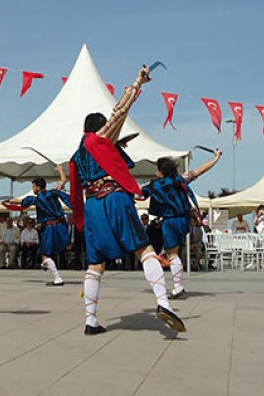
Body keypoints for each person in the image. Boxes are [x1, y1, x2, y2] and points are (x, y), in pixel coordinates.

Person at [69, 65, 185, 335]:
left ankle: (90, 320)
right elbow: (119, 112)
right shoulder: (97, 140)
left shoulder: (76, 156)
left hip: (93, 205)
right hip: (114, 199)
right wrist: (138, 82)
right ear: (98, 129)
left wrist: (81, 220)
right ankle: (164, 303)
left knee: (95, 265)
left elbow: (76, 192)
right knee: (144, 250)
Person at [140, 150, 222, 299]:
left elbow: (138, 194)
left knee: (173, 254)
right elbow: (200, 170)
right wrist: (216, 158)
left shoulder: (155, 185)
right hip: (184, 220)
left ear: (161, 171)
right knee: (172, 253)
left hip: (170, 221)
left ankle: (178, 287)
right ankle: (168, 267)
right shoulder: (181, 179)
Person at [5, 165, 71, 285]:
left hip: (50, 228)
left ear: (37, 186)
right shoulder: (53, 193)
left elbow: (19, 201)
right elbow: (63, 181)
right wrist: (61, 169)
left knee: (45, 254)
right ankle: (46, 264)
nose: (33, 188)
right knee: (51, 252)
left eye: (33, 186)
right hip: (62, 226)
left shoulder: (36, 199)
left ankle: (57, 277)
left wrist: (5, 201)